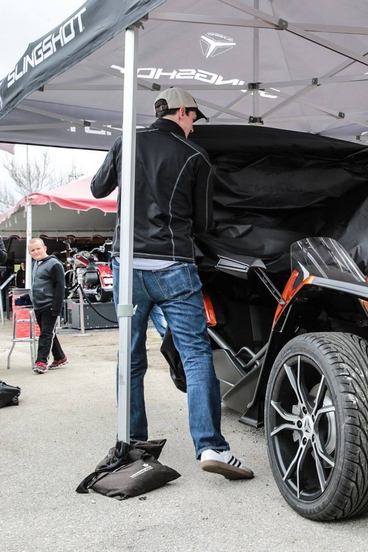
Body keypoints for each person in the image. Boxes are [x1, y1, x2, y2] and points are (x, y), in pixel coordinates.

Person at [90, 87, 253, 480]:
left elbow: (98, 190)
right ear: (182, 111)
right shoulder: (195, 156)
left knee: (129, 358)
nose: (195, 127)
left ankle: (132, 442)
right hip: (173, 265)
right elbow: (202, 223)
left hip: (128, 265)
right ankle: (211, 446)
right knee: (196, 356)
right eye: (194, 118)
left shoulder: (125, 142)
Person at [28, 238, 68, 374]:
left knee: (45, 333)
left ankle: (41, 361)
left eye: (38, 248)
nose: (36, 252)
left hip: (49, 305)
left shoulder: (54, 264)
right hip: (38, 305)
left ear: (45, 248)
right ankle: (60, 357)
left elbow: (60, 288)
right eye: (32, 250)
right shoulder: (36, 264)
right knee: (49, 332)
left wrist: (56, 308)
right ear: (29, 253)